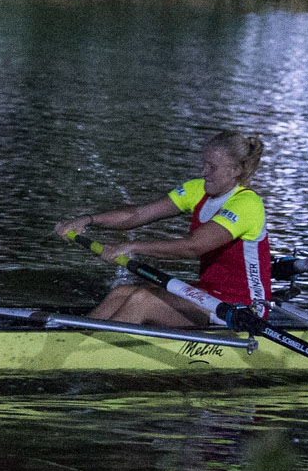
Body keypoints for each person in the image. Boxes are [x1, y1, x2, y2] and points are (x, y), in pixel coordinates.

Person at [55, 130, 273, 327]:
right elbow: (137, 214)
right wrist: (87, 219)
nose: (203, 172)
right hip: (207, 294)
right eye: (204, 164)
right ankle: (72, 338)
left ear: (235, 170)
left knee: (142, 301)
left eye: (212, 167)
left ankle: (86, 354)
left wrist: (132, 246)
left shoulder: (247, 204)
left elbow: (194, 247)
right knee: (121, 293)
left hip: (243, 308)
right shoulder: (198, 189)